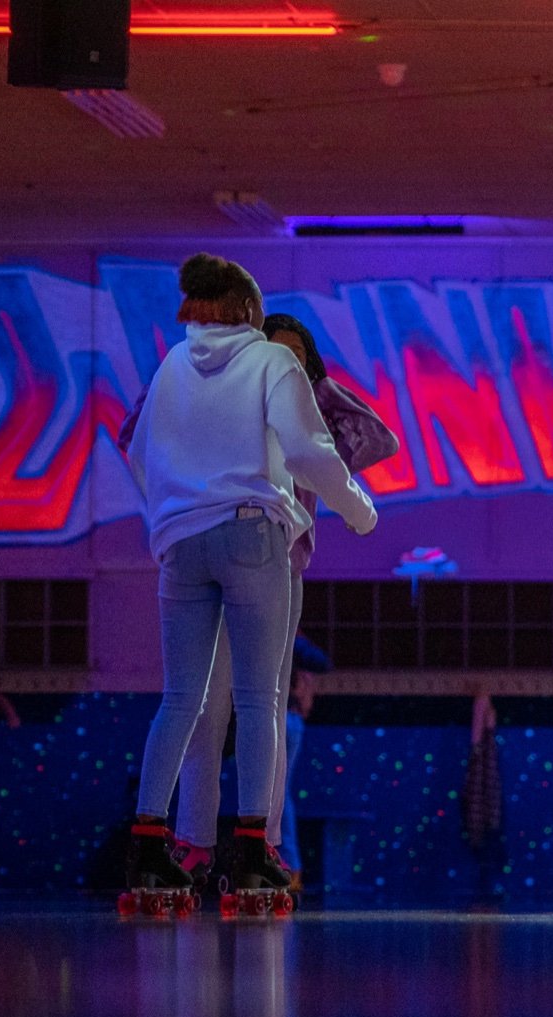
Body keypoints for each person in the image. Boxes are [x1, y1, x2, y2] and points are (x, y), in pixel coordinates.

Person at [122, 253, 376, 911]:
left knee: (182, 699)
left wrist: (166, 515)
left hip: (180, 544)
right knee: (261, 700)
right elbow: (307, 450)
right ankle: (255, 851)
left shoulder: (172, 365)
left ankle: (151, 845)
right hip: (251, 533)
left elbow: (136, 447)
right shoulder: (272, 361)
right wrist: (357, 507)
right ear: (247, 311)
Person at [164, 314, 396, 889]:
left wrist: (310, 383)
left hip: (282, 566)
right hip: (217, 555)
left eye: (294, 357)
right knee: (204, 712)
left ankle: (260, 845)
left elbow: (378, 437)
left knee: (264, 709)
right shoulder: (221, 401)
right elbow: (139, 429)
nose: (281, 363)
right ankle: (194, 842)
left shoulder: (304, 411)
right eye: (273, 353)